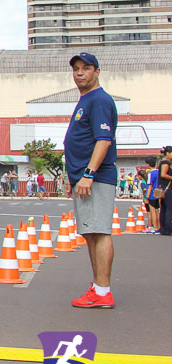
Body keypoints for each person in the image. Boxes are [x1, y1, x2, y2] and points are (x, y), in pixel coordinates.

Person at [63, 52, 118, 309]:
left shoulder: (99, 100)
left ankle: (103, 290)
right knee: (91, 234)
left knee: (100, 232)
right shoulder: (86, 100)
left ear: (97, 71)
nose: (80, 73)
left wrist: (88, 174)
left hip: (95, 177)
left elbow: (103, 140)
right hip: (83, 179)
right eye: (76, 69)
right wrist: (72, 177)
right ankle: (98, 287)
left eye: (86, 68)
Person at [157, 146, 172, 236]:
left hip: (163, 187)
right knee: (169, 208)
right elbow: (163, 174)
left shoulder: (162, 162)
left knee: (164, 208)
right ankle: (167, 228)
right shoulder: (166, 162)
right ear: (168, 153)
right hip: (167, 187)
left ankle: (163, 228)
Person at [144, 157, 160, 234]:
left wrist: (147, 197)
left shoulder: (151, 173)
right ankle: (159, 227)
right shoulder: (159, 172)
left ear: (148, 164)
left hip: (152, 195)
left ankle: (155, 227)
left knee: (153, 211)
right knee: (158, 211)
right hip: (159, 194)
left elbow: (150, 186)